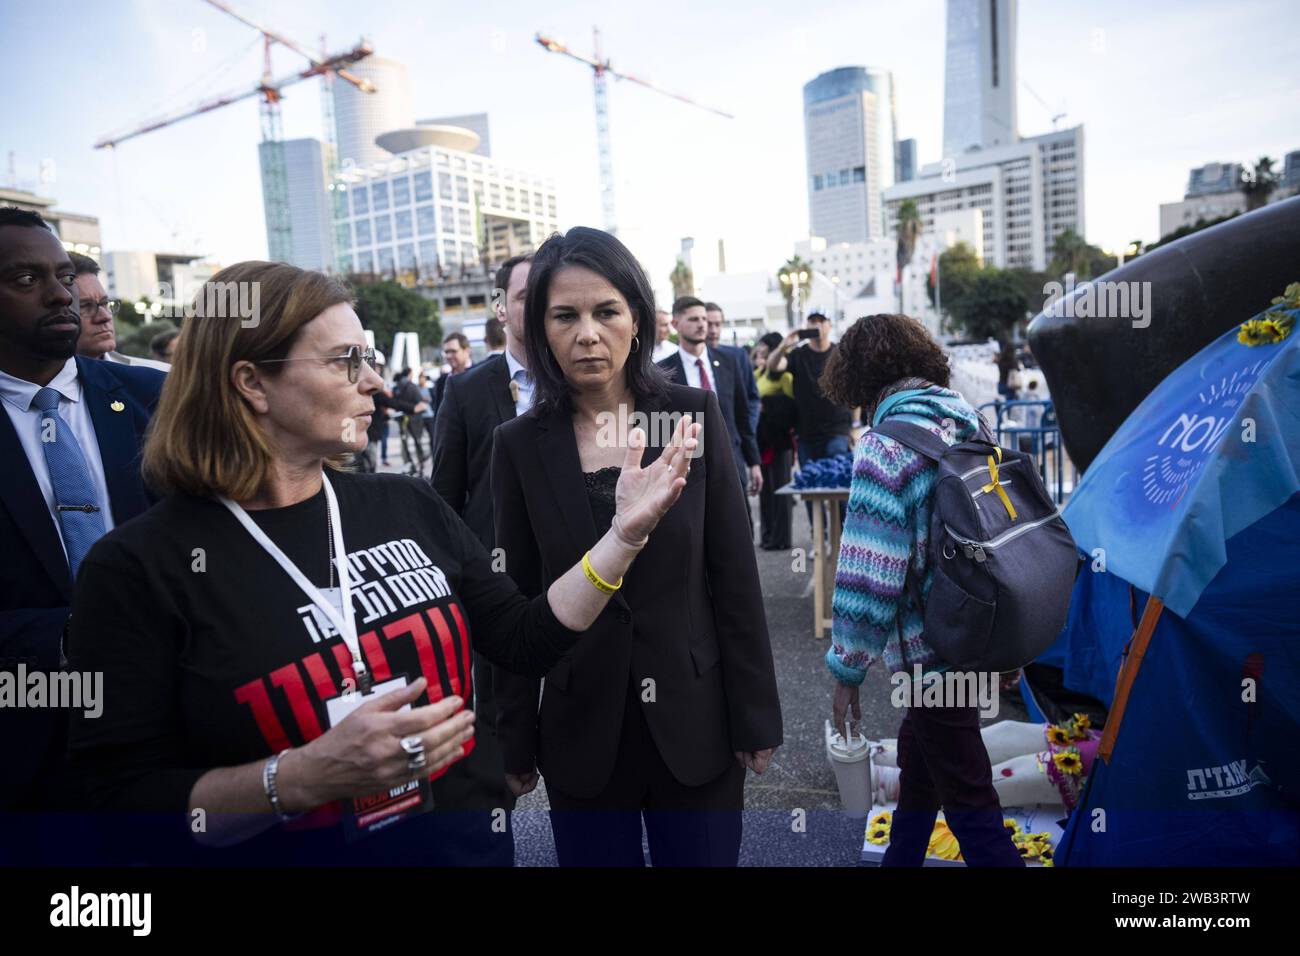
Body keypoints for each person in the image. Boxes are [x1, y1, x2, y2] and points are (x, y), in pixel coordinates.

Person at [64, 259, 697, 866]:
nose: (375, 383)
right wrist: (300, 778)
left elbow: (523, 638)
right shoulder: (138, 570)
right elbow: (118, 806)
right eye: (346, 362)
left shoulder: (404, 503)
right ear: (251, 381)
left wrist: (622, 538)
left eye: (368, 358)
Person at [492, 227, 782, 867]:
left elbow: (733, 576)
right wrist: (511, 740)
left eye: (606, 312)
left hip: (696, 719)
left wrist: (755, 714)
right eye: (564, 316)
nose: (586, 334)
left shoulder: (692, 416)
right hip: (581, 729)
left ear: (638, 320)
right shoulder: (518, 445)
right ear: (540, 329)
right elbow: (511, 601)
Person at [821, 312, 1022, 867]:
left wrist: (847, 671)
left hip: (932, 651)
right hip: (980, 627)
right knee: (922, 766)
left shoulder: (885, 447)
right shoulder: (969, 421)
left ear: (857, 378)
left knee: (970, 802)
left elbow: (869, 577)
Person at [0, 208, 164, 854]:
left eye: (64, 274)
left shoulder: (157, 401)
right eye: (24, 277)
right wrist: (72, 639)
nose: (60, 293)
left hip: (175, 739)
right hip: (29, 764)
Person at [429, 252, 533, 826]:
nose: (541, 307)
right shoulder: (467, 392)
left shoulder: (587, 383)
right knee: (498, 731)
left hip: (580, 579)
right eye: (525, 296)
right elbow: (444, 497)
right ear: (501, 307)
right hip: (493, 588)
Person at [659, 296, 761, 500]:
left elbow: (741, 415)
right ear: (675, 324)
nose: (702, 325)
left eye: (704, 319)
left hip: (731, 460)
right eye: (694, 319)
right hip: (687, 467)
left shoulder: (729, 362)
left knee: (739, 527)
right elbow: (661, 426)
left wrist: (754, 462)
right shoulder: (663, 371)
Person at [765, 311, 852, 467]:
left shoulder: (840, 354)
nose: (817, 324)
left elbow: (853, 389)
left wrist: (855, 426)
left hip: (837, 430)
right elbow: (773, 366)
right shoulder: (798, 354)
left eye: (821, 320)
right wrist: (783, 346)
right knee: (809, 484)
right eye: (812, 321)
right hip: (806, 433)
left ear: (829, 325)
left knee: (836, 482)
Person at [69, 253, 170, 371]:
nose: (105, 316)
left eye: (104, 303)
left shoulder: (160, 376)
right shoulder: (46, 386)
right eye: (85, 306)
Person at [753, 332, 796, 551]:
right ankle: (768, 536)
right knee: (765, 492)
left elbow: (790, 409)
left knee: (780, 491)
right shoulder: (758, 372)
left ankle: (781, 538)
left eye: (764, 348)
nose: (759, 351)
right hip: (761, 440)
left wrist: (765, 405)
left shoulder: (785, 377)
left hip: (778, 442)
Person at [431, 331, 473, 417]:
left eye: (453, 351)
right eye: (446, 352)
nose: (449, 356)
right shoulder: (442, 380)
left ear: (467, 351)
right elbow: (438, 412)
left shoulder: (481, 375)